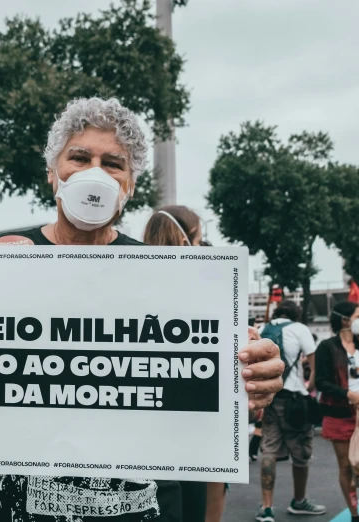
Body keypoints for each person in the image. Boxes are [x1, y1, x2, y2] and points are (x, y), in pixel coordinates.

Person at [0, 97, 286, 522]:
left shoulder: (167, 276)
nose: (95, 173)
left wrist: (252, 379)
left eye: (113, 163)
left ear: (130, 184)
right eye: (79, 157)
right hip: (18, 506)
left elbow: (208, 391)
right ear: (53, 173)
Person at [143, 205, 222, 522]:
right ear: (189, 241)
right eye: (201, 240)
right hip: (192, 429)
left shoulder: (126, 283)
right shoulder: (202, 293)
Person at [254, 300, 324, 522]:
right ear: (296, 313)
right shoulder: (299, 329)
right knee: (301, 452)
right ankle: (299, 500)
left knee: (269, 451)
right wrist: (309, 385)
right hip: (294, 399)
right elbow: (314, 362)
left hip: (269, 398)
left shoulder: (262, 329)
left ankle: (266, 508)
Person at [315, 301, 359, 522]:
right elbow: (321, 382)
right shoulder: (326, 347)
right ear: (345, 320)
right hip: (339, 415)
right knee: (346, 467)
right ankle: (354, 514)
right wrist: (346, 394)